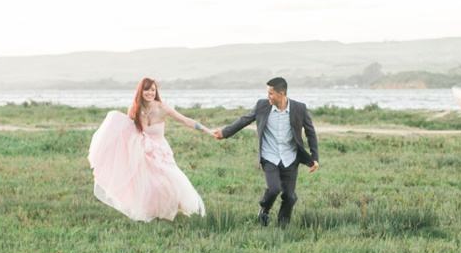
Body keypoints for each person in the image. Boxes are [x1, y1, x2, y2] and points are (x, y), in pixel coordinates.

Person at [88, 77, 216, 222]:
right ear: (141, 91)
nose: (150, 93)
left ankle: (176, 208)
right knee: (149, 184)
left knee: (170, 181)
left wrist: (208, 131)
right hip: (143, 150)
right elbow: (127, 129)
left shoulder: (162, 108)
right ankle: (153, 212)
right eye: (147, 89)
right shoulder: (134, 109)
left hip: (161, 152)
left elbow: (186, 120)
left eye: (153, 90)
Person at [214, 77, 319, 228]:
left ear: (281, 94)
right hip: (269, 156)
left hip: (290, 157)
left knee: (289, 196)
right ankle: (264, 209)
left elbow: (310, 132)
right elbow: (244, 120)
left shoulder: (299, 108)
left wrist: (314, 157)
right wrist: (225, 132)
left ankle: (282, 226)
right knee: (274, 188)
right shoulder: (262, 105)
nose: (268, 96)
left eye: (271, 93)